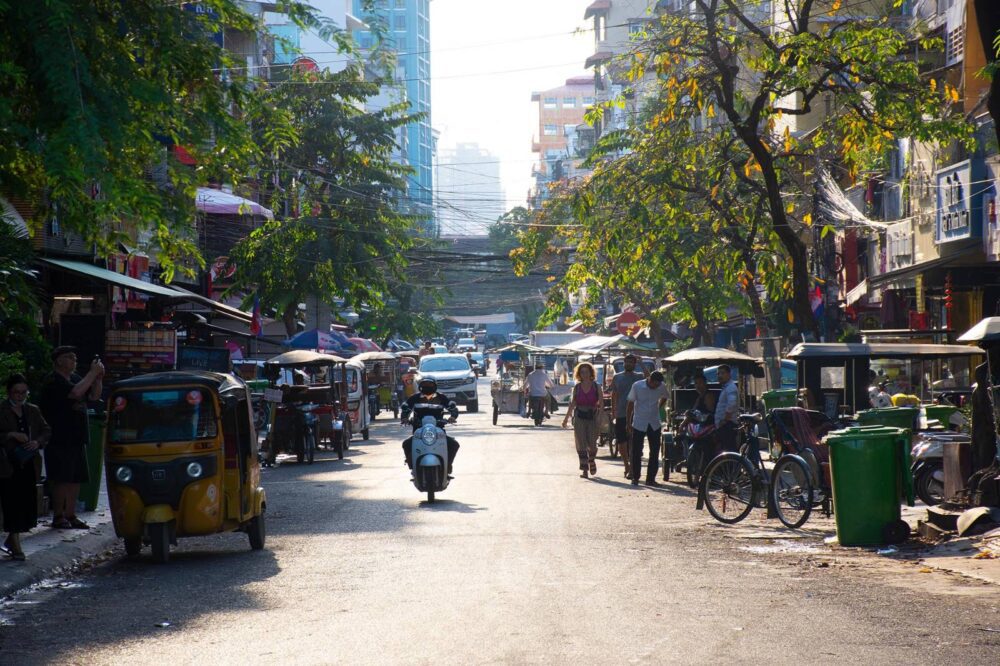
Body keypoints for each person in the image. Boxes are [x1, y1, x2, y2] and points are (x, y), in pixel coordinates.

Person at [38, 346, 103, 530]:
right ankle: (58, 515)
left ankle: (71, 514)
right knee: (62, 477)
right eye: (69, 357)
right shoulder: (54, 381)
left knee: (76, 477)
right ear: (59, 360)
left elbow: (93, 395)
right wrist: (92, 373)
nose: (73, 361)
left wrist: (98, 378)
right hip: (60, 436)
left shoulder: (74, 378)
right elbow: (75, 393)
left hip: (77, 436)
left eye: (75, 358)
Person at [0, 374, 51, 560]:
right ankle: (15, 541)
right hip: (8, 463)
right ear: (9, 392)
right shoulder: (2, 409)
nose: (20, 396)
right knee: (11, 501)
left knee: (26, 502)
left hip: (28, 462)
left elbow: (46, 430)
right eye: (16, 392)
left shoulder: (32, 410)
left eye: (23, 392)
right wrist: (11, 435)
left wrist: (37, 442)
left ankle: (15, 538)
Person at [400, 378, 460, 473]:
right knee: (406, 444)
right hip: (418, 432)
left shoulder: (441, 397)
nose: (427, 387)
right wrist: (404, 418)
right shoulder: (414, 398)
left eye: (430, 385)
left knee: (454, 445)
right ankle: (412, 465)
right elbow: (406, 409)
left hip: (438, 432)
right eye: (425, 385)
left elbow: (452, 408)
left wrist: (453, 416)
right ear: (420, 387)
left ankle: (448, 464)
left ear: (435, 386)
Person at [562, 362, 605, 478]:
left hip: (592, 416)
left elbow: (601, 403)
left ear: (591, 373)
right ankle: (585, 469)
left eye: (587, 372)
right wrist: (566, 419)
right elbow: (572, 404)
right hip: (580, 416)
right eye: (582, 372)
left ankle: (591, 460)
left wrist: (600, 418)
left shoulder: (596, 386)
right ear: (579, 374)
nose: (584, 374)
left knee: (592, 443)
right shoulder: (577, 387)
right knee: (581, 444)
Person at [626, 371, 668, 486]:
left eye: (657, 385)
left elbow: (665, 396)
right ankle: (635, 477)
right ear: (649, 379)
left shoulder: (661, 386)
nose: (655, 386)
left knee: (654, 451)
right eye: (654, 384)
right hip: (639, 421)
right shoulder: (637, 385)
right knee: (636, 451)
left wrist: (659, 406)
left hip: (654, 422)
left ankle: (650, 479)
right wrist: (628, 422)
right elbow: (630, 403)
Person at [610, 354, 645, 480]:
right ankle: (626, 466)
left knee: (633, 441)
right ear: (624, 363)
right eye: (627, 362)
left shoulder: (639, 377)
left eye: (631, 362)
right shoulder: (617, 377)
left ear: (634, 364)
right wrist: (613, 412)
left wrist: (642, 363)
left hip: (636, 413)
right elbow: (614, 394)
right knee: (622, 441)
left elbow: (650, 378)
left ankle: (632, 467)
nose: (628, 364)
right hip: (621, 413)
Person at [713, 364, 739, 453]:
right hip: (723, 425)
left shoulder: (731, 387)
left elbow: (732, 404)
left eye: (722, 373)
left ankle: (733, 467)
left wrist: (724, 420)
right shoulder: (726, 387)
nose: (720, 376)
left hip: (728, 425)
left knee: (729, 451)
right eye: (718, 374)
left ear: (729, 374)